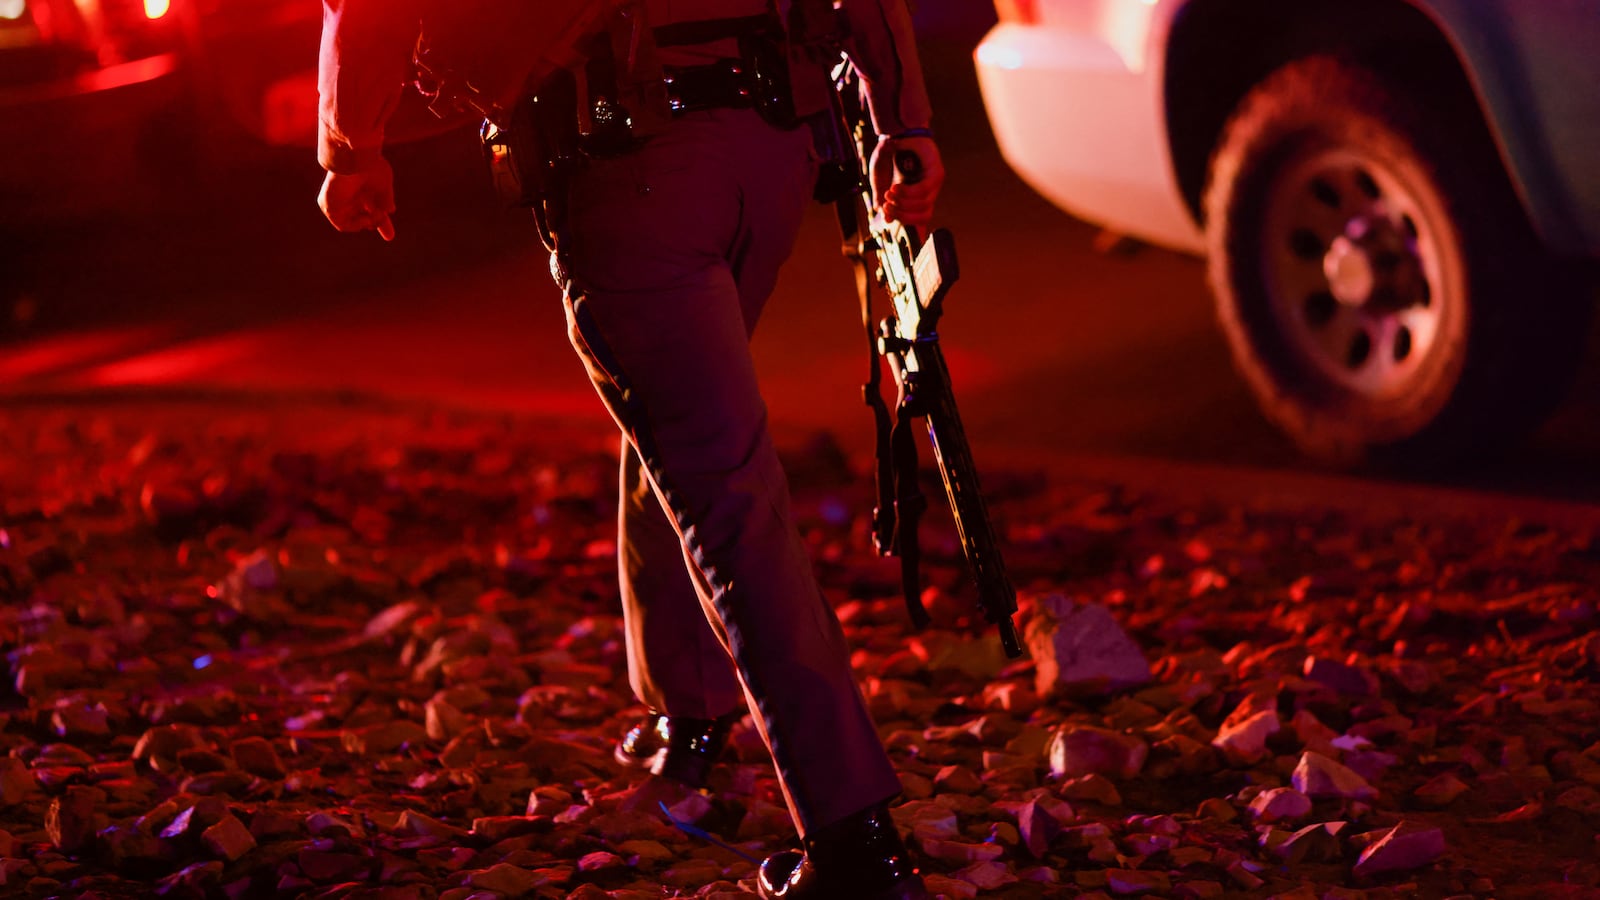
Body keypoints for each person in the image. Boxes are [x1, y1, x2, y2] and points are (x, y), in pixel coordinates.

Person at [316, 2, 945, 897]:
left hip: (634, 164)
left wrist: (350, 145)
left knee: (718, 480)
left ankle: (855, 841)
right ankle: (689, 715)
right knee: (682, 428)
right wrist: (903, 121)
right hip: (769, 147)